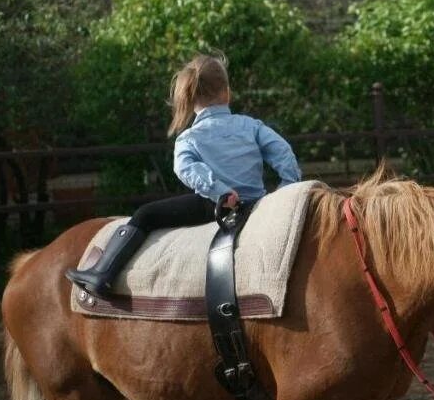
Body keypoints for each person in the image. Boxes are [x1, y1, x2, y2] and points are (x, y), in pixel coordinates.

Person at [66, 53, 302, 296]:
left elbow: (185, 167)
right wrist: (285, 190)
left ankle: (103, 274)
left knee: (145, 214)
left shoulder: (190, 138)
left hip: (213, 206)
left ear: (190, 99)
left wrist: (220, 192)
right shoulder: (250, 125)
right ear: (227, 93)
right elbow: (283, 152)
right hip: (255, 204)